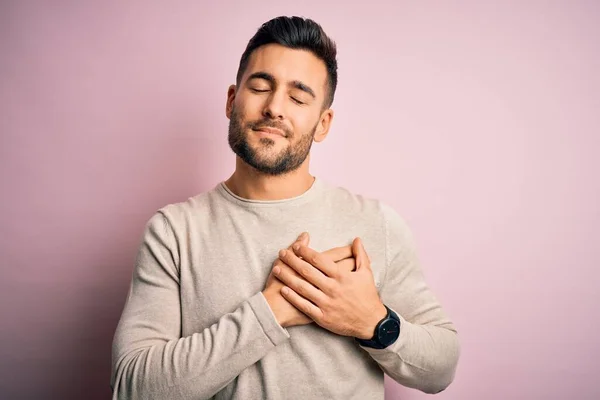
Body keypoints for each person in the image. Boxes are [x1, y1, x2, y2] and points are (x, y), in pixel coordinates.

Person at [110, 16, 460, 400]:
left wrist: (374, 322)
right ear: (231, 100)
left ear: (323, 123)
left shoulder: (376, 223)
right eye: (260, 87)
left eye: (297, 97)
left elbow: (441, 367)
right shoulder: (174, 231)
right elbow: (133, 387)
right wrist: (271, 311)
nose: (275, 107)